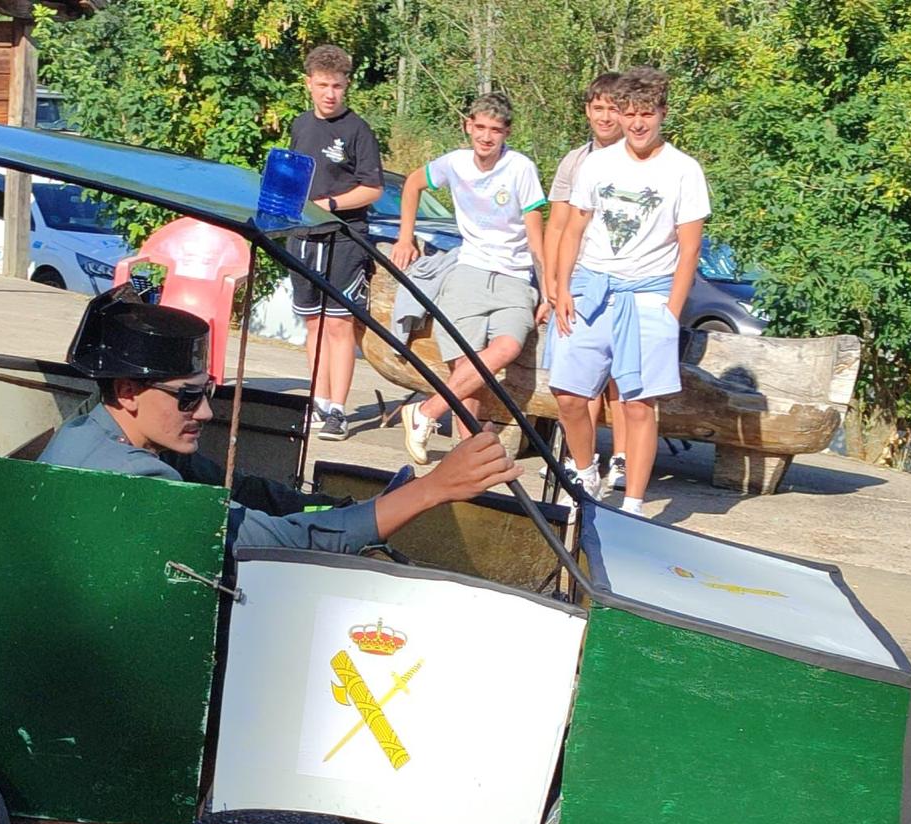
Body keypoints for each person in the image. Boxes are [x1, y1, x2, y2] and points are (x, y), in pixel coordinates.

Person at [40, 286, 523, 553]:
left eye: (206, 393)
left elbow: (249, 492)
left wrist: (342, 506)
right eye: (188, 397)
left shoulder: (112, 435)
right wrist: (432, 489)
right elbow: (281, 544)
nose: (205, 412)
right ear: (128, 392)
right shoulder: (138, 479)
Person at [549, 67, 708, 514]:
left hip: (648, 295)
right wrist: (562, 288)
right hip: (592, 289)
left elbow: (690, 246)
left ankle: (634, 505)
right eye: (630, 114)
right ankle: (584, 475)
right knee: (569, 394)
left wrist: (671, 310)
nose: (638, 124)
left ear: (662, 113)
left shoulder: (683, 170)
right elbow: (574, 226)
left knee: (638, 404)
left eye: (647, 114)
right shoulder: (598, 163)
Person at [392, 93, 548, 465]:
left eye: (495, 130)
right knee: (465, 368)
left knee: (507, 348)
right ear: (468, 126)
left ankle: (426, 412)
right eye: (480, 127)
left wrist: (548, 290)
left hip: (514, 275)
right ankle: (469, 460)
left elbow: (536, 236)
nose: (487, 137)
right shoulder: (455, 163)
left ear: (507, 132)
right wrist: (404, 236)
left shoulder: (520, 168)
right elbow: (413, 183)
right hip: (469, 269)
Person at [286, 44, 384, 443]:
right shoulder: (300, 125)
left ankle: (338, 411)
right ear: (309, 84)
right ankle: (317, 401)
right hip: (302, 237)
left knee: (340, 325)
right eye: (323, 85)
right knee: (313, 323)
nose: (330, 93)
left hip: (344, 238)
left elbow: (373, 189)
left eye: (338, 86)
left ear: (347, 87)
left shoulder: (358, 130)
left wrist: (329, 206)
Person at [543, 72, 626, 498]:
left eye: (614, 107)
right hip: (580, 279)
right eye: (599, 108)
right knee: (576, 382)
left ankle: (623, 462)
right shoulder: (575, 161)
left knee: (625, 383)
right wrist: (552, 283)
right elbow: (557, 225)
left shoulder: (641, 161)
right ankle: (582, 465)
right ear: (587, 111)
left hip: (628, 282)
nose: (606, 116)